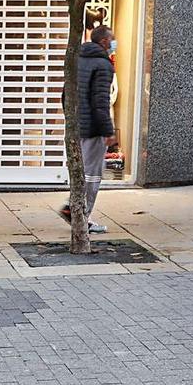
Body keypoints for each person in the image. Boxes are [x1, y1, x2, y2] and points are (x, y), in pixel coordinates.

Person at [60, 25, 118, 234]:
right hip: (93, 128)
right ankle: (81, 216)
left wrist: (72, 121)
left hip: (78, 126)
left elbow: (66, 94)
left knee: (82, 170)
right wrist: (108, 131)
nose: (114, 44)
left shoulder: (77, 59)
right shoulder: (103, 65)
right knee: (92, 174)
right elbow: (100, 101)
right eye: (112, 40)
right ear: (104, 42)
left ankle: (74, 208)